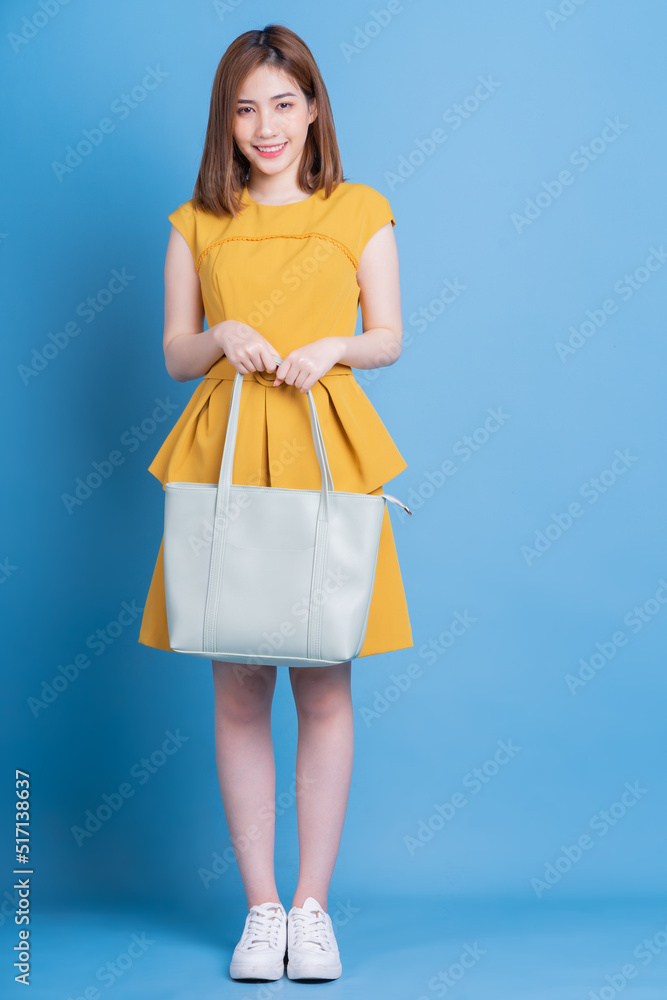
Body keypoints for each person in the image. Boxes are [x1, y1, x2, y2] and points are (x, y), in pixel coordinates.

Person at [138, 23, 413, 983]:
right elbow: (176, 353)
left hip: (320, 447)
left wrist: (330, 348)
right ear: (226, 118)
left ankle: (312, 908)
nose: (265, 126)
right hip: (228, 454)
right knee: (240, 683)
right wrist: (226, 333)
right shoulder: (195, 224)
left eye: (282, 104)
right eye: (245, 107)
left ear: (312, 109)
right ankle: (260, 908)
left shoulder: (359, 209)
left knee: (326, 682)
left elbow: (388, 334)